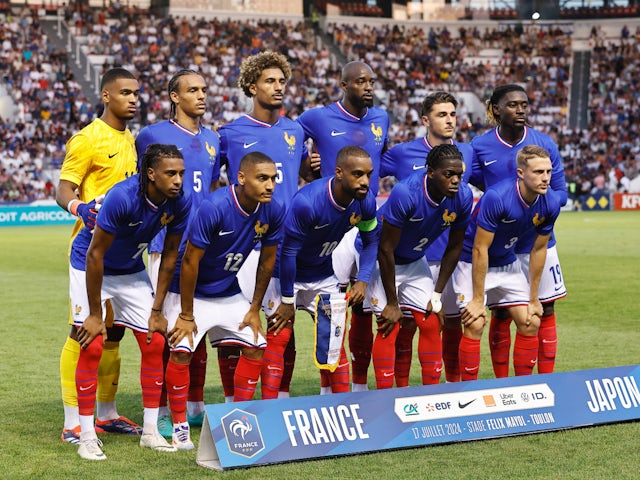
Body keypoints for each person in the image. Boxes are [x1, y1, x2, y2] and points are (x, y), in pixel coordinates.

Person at [72, 144, 192, 460]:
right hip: (90, 265)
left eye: (181, 172)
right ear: (150, 174)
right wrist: (96, 315)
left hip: (130, 269)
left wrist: (157, 310)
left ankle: (150, 432)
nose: (179, 180)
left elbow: (169, 255)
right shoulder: (123, 197)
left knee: (154, 342)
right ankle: (86, 435)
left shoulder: (179, 202)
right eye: (171, 173)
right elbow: (94, 254)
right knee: (93, 343)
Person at [163, 151, 285, 450]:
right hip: (188, 292)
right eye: (262, 178)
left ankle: (237, 419)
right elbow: (190, 261)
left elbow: (268, 261)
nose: (270, 185)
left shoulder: (273, 209)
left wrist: (255, 309)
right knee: (181, 351)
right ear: (241, 178)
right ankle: (179, 425)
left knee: (257, 345)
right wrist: (187, 314)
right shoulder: (214, 206)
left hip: (228, 290)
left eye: (272, 179)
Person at [216, 51, 316, 402]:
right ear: (251, 86)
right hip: (243, 247)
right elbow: (218, 188)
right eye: (269, 81)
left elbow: (303, 173)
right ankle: (232, 402)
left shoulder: (295, 130)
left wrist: (312, 165)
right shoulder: (228, 134)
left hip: (287, 243)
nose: (278, 88)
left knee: (282, 327)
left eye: (282, 81)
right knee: (235, 328)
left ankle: (280, 400)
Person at [56, 67, 141, 444]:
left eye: (136, 93)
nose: (133, 99)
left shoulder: (133, 139)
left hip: (124, 252)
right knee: (83, 333)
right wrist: (80, 207)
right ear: (106, 96)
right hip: (90, 250)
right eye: (125, 92)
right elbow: (63, 189)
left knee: (114, 332)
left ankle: (106, 413)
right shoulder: (87, 139)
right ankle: (73, 420)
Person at [135, 69, 220, 435]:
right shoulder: (151, 135)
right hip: (166, 245)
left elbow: (214, 189)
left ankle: (194, 404)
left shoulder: (215, 138)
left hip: (205, 247)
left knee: (195, 327)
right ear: (174, 96)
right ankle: (166, 410)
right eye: (192, 90)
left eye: (203, 89)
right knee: (168, 331)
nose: (201, 96)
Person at [297, 61, 389, 392]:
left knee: (363, 308)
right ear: (343, 84)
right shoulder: (317, 117)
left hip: (366, 216)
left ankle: (360, 389)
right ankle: (327, 392)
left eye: (371, 81)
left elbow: (382, 157)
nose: (368, 86)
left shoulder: (381, 119)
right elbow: (290, 144)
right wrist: (307, 167)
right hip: (329, 221)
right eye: (361, 81)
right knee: (332, 313)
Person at [380, 91, 477, 384]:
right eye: (441, 114)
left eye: (452, 114)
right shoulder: (402, 155)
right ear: (425, 120)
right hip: (393, 254)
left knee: (445, 321)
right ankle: (386, 389)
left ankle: (444, 389)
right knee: (395, 324)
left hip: (438, 257)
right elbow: (364, 172)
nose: (449, 120)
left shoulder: (467, 154)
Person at [264, 146, 379, 394]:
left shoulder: (365, 202)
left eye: (369, 174)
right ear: (338, 172)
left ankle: (339, 409)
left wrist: (362, 280)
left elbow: (371, 242)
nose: (365, 182)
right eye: (358, 174)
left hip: (323, 275)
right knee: (279, 338)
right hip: (286, 276)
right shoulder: (308, 202)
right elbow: (289, 253)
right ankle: (272, 407)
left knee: (334, 342)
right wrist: (287, 299)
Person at [471, 84, 568, 377]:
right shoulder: (480, 146)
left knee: (544, 310)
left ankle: (546, 382)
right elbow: (479, 186)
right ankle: (504, 385)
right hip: (499, 244)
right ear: (496, 109)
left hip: (538, 240)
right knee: (501, 313)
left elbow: (560, 191)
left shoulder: (544, 144)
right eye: (513, 105)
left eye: (524, 104)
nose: (521, 110)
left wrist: (536, 207)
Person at [452, 145, 561, 381]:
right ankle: (466, 392)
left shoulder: (550, 202)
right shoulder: (497, 197)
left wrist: (534, 298)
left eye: (549, 172)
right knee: (475, 322)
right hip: (471, 262)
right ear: (521, 173)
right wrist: (479, 299)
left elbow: (539, 249)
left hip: (507, 261)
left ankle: (523, 387)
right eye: (539, 172)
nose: (545, 178)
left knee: (531, 320)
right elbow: (480, 249)